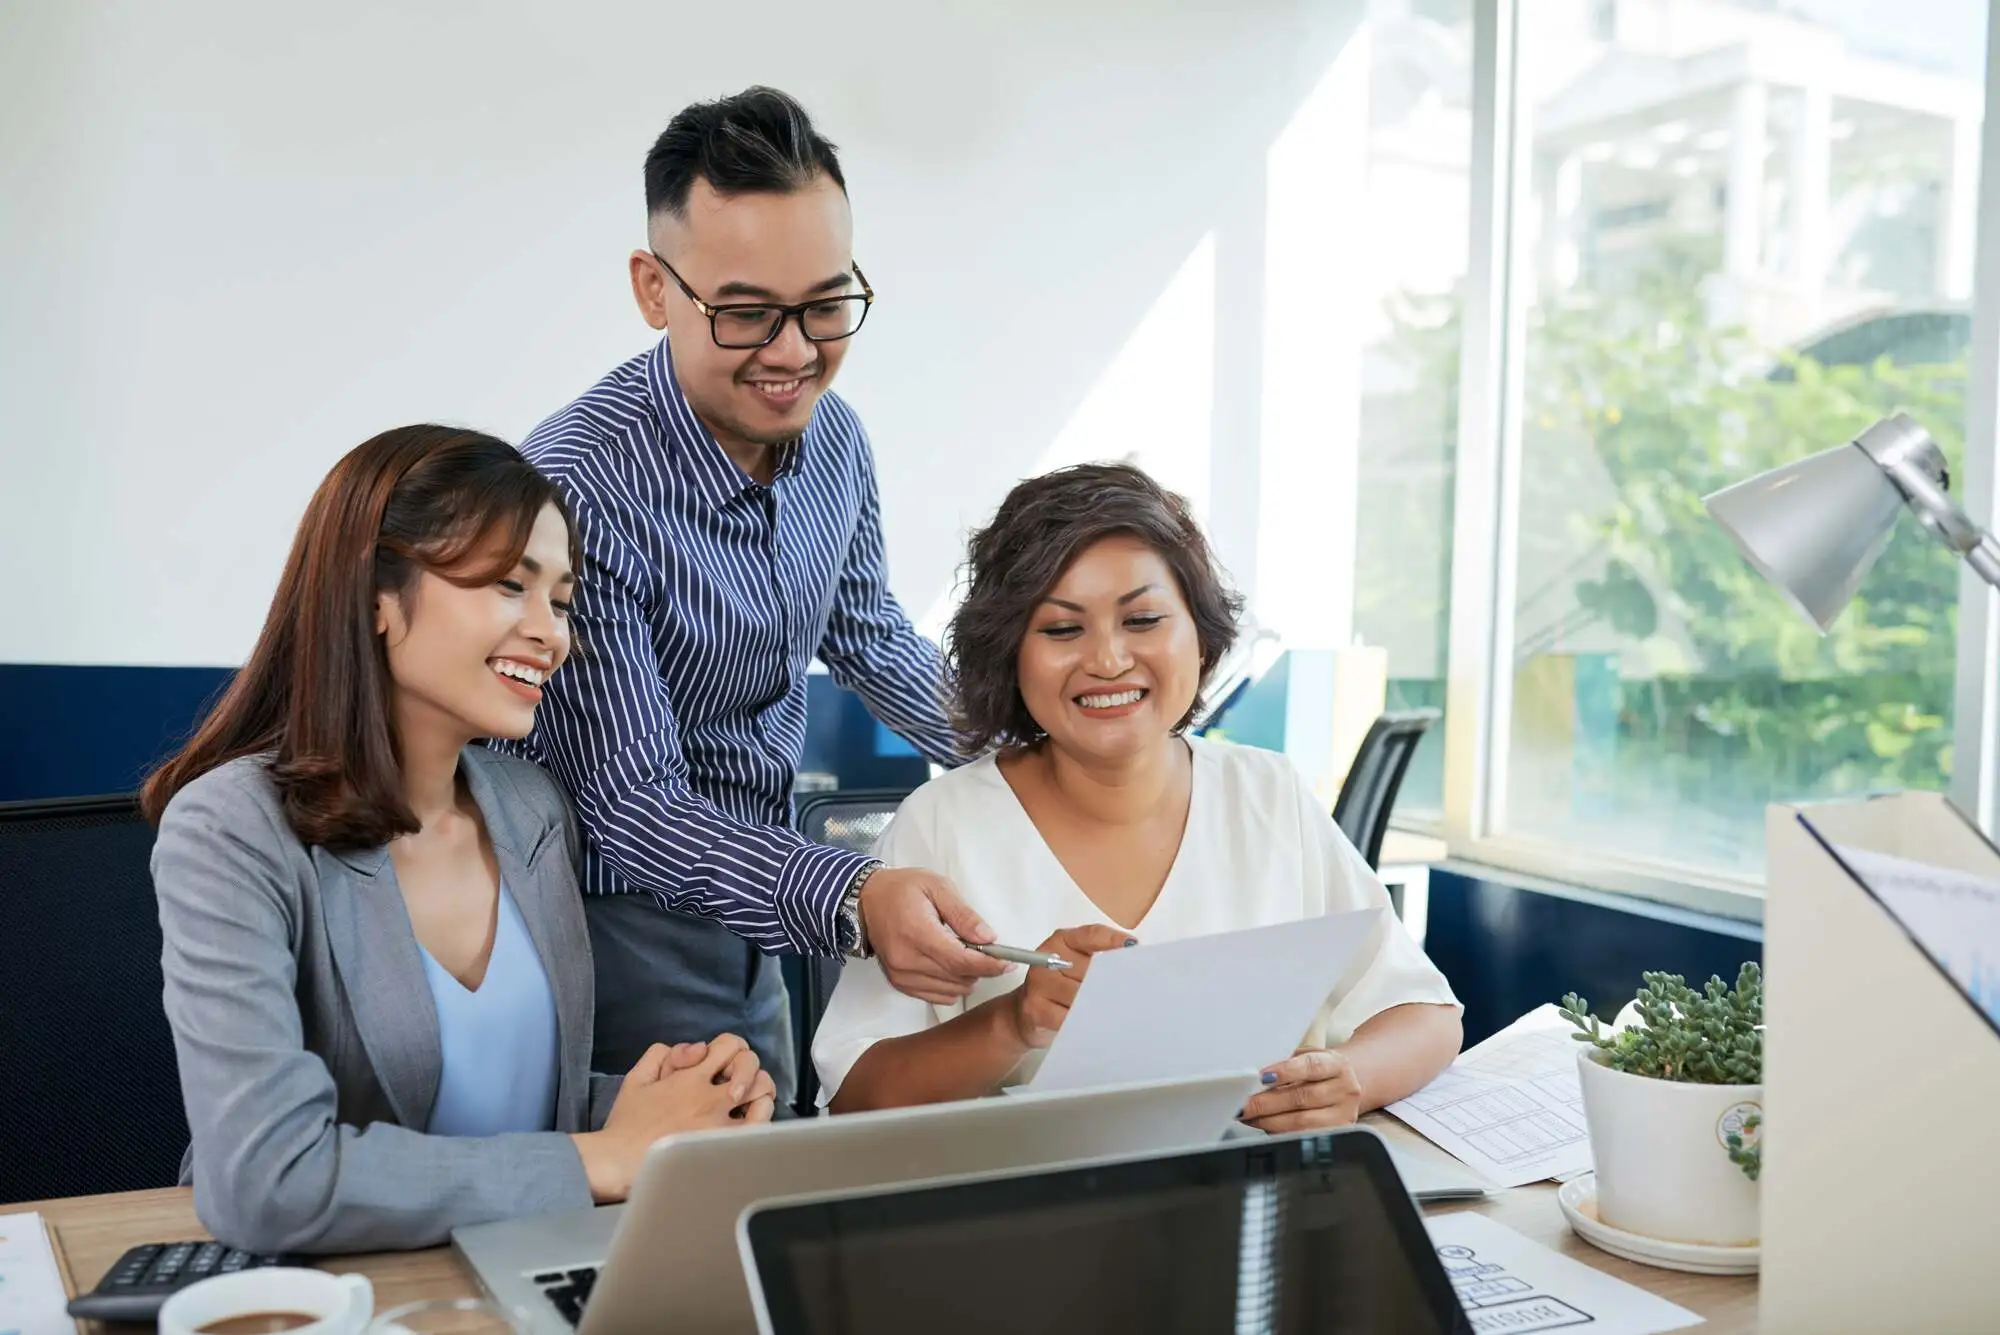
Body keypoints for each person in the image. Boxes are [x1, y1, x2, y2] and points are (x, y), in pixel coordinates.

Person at [142, 426, 775, 1255]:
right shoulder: (230, 831)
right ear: (376, 593)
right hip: (327, 1291)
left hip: (510, 1264)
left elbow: (502, 1104)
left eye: (563, 598)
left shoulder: (530, 809)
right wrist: (603, 1156)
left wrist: (671, 1103)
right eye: (511, 584)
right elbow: (269, 1177)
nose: (552, 634)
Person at [504, 86, 1003, 1103]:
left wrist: (1028, 749)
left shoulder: (835, 438)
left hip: (759, 894)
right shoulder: (575, 485)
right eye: (744, 313)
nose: (792, 353)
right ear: (654, 289)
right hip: (609, 917)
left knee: (764, 1177)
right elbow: (630, 806)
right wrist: (854, 898)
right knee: (670, 1215)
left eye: (825, 305)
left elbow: (870, 638)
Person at [815, 463, 1464, 1124]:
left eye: (1144, 619)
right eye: (1063, 629)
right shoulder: (943, 820)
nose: (1108, 660)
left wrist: (1349, 1077)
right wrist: (1012, 1021)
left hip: (1252, 1204)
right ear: (1009, 653)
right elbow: (852, 1097)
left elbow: (1427, 1015)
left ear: (1201, 636)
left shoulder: (1268, 793)